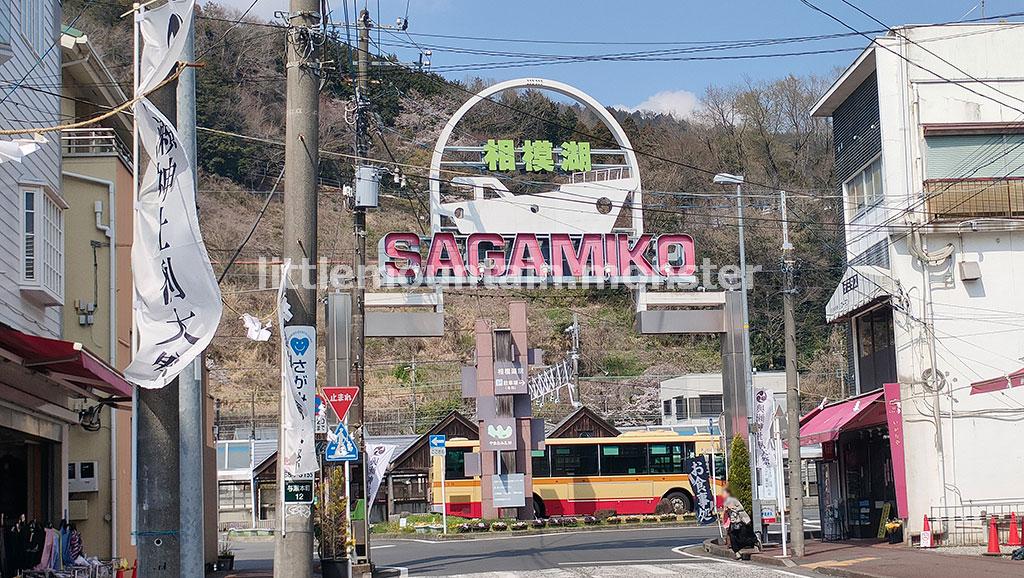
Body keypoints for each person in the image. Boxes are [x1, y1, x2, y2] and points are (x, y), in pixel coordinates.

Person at [721, 487, 758, 558]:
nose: (723, 494)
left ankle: (754, 542)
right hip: (733, 522)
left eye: (724, 493)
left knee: (743, 537)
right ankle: (737, 552)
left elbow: (741, 509)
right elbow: (726, 513)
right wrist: (726, 510)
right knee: (732, 537)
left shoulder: (734, 500)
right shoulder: (726, 501)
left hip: (740, 521)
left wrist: (733, 508)